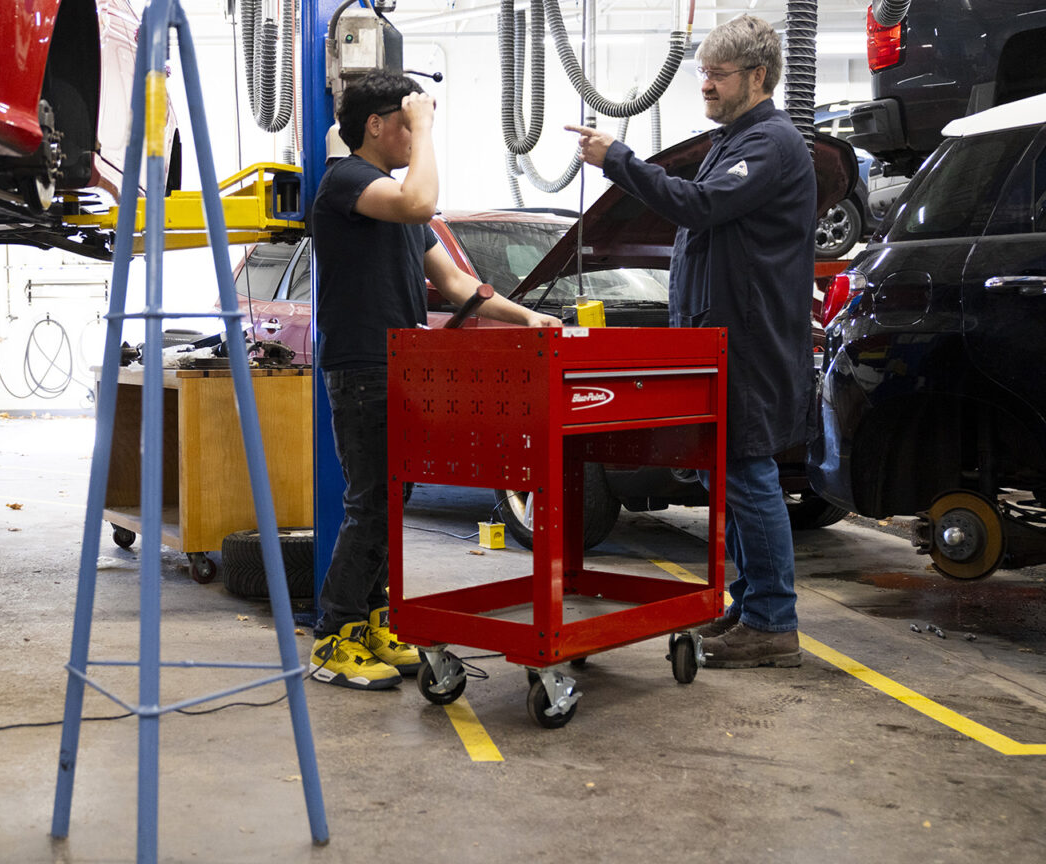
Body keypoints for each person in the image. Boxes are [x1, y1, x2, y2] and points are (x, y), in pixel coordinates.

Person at [566, 14, 814, 668]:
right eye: (702, 72)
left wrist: (618, 160)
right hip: (718, 341)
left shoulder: (771, 143)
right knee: (725, 475)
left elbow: (699, 206)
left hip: (750, 343)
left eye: (717, 74)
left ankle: (773, 623)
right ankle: (750, 606)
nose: (705, 84)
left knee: (747, 474)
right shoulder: (733, 142)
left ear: (757, 77)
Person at [309, 71, 562, 690]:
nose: (416, 136)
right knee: (371, 504)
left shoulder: (396, 202)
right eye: (407, 124)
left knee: (389, 503)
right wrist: (425, 128)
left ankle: (372, 621)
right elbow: (420, 202)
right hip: (363, 368)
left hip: (400, 367)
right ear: (376, 125)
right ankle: (333, 638)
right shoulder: (346, 181)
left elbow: (454, 283)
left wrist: (525, 317)